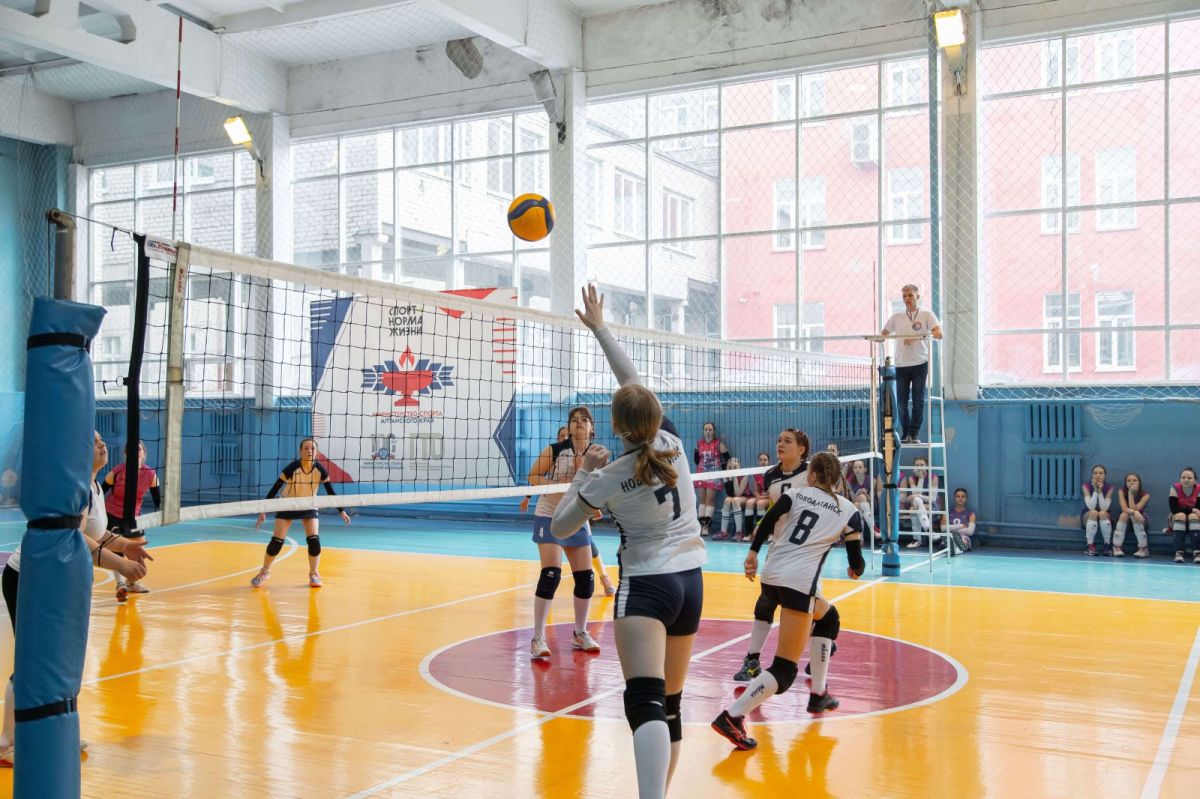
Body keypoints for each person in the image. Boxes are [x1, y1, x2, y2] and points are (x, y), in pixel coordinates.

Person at [552, 285, 706, 799]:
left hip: (647, 587)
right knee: (670, 706)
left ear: (616, 426)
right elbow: (632, 382)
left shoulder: (609, 476)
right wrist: (601, 329)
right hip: (690, 582)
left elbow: (561, 528)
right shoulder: (674, 442)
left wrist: (583, 472)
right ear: (655, 418)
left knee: (644, 703)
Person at [1, 431, 151, 766]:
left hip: (54, 581)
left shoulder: (94, 487)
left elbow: (97, 534)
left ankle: (57, 732)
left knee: (57, 660)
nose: (101, 445)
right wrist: (122, 565)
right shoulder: (75, 488)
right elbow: (76, 539)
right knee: (30, 661)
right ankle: (6, 743)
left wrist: (125, 545)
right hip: (27, 578)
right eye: (93, 441)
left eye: (101, 440)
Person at [710, 452, 866, 750]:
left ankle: (819, 694)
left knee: (828, 618)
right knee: (784, 669)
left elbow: (767, 521)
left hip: (772, 576)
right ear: (838, 480)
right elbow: (856, 562)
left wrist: (752, 553)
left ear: (812, 475)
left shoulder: (795, 494)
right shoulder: (848, 510)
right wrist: (855, 570)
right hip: (798, 584)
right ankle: (732, 716)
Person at [732, 428, 809, 683]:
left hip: (805, 549)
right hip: (778, 546)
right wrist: (755, 546)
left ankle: (824, 639)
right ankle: (752, 660)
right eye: (778, 440)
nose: (780, 444)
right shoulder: (771, 476)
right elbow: (773, 513)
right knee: (767, 600)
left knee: (805, 603)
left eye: (787, 441)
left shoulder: (812, 474)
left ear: (801, 449)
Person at [525, 407, 604, 658]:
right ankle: (538, 638)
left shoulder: (597, 455)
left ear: (592, 428)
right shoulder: (555, 450)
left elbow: (599, 489)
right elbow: (533, 476)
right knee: (551, 574)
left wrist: (586, 480)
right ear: (568, 428)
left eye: (584, 420)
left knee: (586, 578)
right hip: (549, 514)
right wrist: (561, 486)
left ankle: (580, 633)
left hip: (576, 516)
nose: (579, 423)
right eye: (574, 420)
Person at [520, 425, 615, 597]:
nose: (564, 438)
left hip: (575, 511)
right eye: (561, 436)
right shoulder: (554, 455)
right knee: (551, 573)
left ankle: (604, 576)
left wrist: (595, 508)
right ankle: (545, 601)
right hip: (549, 511)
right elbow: (536, 478)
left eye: (566, 435)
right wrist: (528, 497)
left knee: (591, 548)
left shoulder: (583, 457)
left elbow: (587, 485)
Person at [251, 438, 350, 588]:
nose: (309, 451)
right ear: (300, 451)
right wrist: (263, 510)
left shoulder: (320, 470)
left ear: (316, 452)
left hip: (309, 505)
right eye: (306, 448)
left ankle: (314, 574)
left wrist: (341, 511)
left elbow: (331, 491)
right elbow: (275, 488)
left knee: (314, 540)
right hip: (288, 504)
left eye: (312, 448)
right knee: (276, 542)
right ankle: (264, 572)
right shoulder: (292, 467)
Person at [880, 284, 943, 444]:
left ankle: (913, 433)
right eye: (904, 296)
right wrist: (877, 338)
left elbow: (939, 334)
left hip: (920, 363)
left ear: (917, 297)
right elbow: (883, 334)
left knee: (917, 400)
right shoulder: (896, 317)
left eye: (910, 295)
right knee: (901, 402)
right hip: (901, 364)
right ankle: (905, 433)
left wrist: (916, 337)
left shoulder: (927, 314)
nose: (907, 299)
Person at [102, 439, 160, 601]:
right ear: (126, 453)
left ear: (144, 453)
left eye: (139, 449)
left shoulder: (150, 474)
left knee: (138, 553)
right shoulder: (117, 472)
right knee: (116, 552)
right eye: (132, 449)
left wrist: (162, 515)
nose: (136, 452)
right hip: (113, 515)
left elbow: (158, 500)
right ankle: (120, 585)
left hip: (134, 518)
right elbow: (101, 492)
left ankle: (132, 583)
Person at [693, 422, 730, 537]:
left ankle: (706, 527)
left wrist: (723, 470)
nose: (708, 432)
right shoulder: (699, 443)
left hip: (713, 475)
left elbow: (727, 459)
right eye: (706, 429)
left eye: (710, 429)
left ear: (713, 431)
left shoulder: (719, 444)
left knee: (710, 501)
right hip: (701, 473)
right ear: (703, 431)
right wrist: (697, 455)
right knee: (702, 501)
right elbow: (696, 460)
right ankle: (700, 526)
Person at [715, 458, 759, 542]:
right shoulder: (726, 476)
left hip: (746, 497)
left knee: (735, 500)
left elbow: (738, 493)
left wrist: (735, 477)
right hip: (735, 497)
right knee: (727, 500)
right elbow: (730, 493)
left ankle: (739, 532)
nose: (732, 469)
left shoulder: (744, 475)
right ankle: (724, 532)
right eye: (730, 467)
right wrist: (729, 479)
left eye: (735, 467)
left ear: (739, 466)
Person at [903, 456, 939, 549]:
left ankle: (917, 539)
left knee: (914, 505)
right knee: (913, 506)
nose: (919, 467)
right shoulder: (911, 478)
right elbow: (916, 496)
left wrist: (918, 496)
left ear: (927, 466)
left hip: (932, 506)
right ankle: (929, 530)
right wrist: (921, 479)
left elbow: (933, 499)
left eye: (922, 465)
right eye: (917, 465)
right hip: (917, 505)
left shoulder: (933, 478)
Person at [1114, 474, 1150, 559]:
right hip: (1125, 520)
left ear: (1139, 482)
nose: (1131, 482)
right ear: (1125, 483)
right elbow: (1124, 508)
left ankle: (1143, 548)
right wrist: (1134, 512)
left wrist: (1130, 494)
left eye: (1134, 480)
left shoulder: (1145, 495)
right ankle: (1116, 547)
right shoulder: (1121, 491)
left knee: (1134, 516)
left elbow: (1135, 508)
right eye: (1129, 481)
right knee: (1124, 514)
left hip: (1140, 519)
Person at [1169, 467, 1200, 564]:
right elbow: (1174, 509)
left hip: (1194, 521)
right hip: (1178, 519)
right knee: (1180, 515)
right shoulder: (1175, 488)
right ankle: (1179, 553)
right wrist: (1191, 509)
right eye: (1183, 477)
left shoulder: (1199, 489)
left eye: (1189, 478)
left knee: (1193, 516)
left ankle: (1197, 552)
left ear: (1195, 481)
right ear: (1180, 479)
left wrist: (1193, 511)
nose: (1186, 480)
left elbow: (1197, 511)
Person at [1082, 464, 1114, 556]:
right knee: (1094, 512)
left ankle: (1107, 545)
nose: (1098, 475)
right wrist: (1095, 490)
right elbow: (1091, 507)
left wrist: (1100, 491)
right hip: (1088, 515)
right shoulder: (1086, 486)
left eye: (1101, 473)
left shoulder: (1110, 488)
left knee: (1102, 513)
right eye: (1095, 473)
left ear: (1105, 475)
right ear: (1092, 475)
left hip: (1104, 515)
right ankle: (1090, 545)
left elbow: (1104, 508)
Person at [940, 488, 976, 553]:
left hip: (963, 537)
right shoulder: (947, 512)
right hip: (949, 536)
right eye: (958, 496)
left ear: (966, 498)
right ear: (954, 498)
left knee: (964, 542)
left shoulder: (971, 514)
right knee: (944, 543)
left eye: (963, 496)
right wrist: (961, 526)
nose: (960, 498)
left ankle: (953, 549)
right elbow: (943, 528)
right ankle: (953, 549)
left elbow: (970, 532)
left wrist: (952, 529)